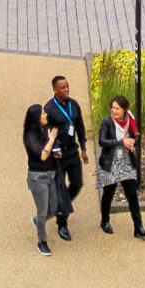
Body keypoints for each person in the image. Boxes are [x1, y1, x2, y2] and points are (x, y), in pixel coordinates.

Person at [96, 95, 145, 239]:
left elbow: (136, 136)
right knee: (108, 194)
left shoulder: (130, 120)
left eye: (117, 108)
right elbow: (102, 141)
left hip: (126, 162)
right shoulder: (107, 121)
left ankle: (138, 227)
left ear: (125, 109)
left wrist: (133, 142)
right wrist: (120, 142)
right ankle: (105, 221)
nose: (114, 111)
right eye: (112, 108)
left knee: (132, 195)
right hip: (111, 163)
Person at [44, 75, 88, 240]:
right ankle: (62, 222)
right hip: (58, 156)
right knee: (61, 188)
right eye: (62, 88)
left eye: (67, 86)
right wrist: (54, 149)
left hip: (72, 153)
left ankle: (59, 207)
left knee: (77, 184)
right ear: (55, 90)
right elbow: (46, 134)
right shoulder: (49, 109)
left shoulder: (74, 105)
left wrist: (83, 148)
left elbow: (80, 127)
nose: (66, 90)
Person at [22, 102, 65, 255]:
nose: (45, 115)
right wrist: (52, 139)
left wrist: (56, 151)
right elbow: (42, 155)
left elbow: (51, 150)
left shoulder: (45, 130)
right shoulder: (30, 136)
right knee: (42, 210)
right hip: (37, 178)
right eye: (42, 114)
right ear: (36, 118)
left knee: (54, 207)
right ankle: (42, 242)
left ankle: (37, 221)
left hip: (51, 174)